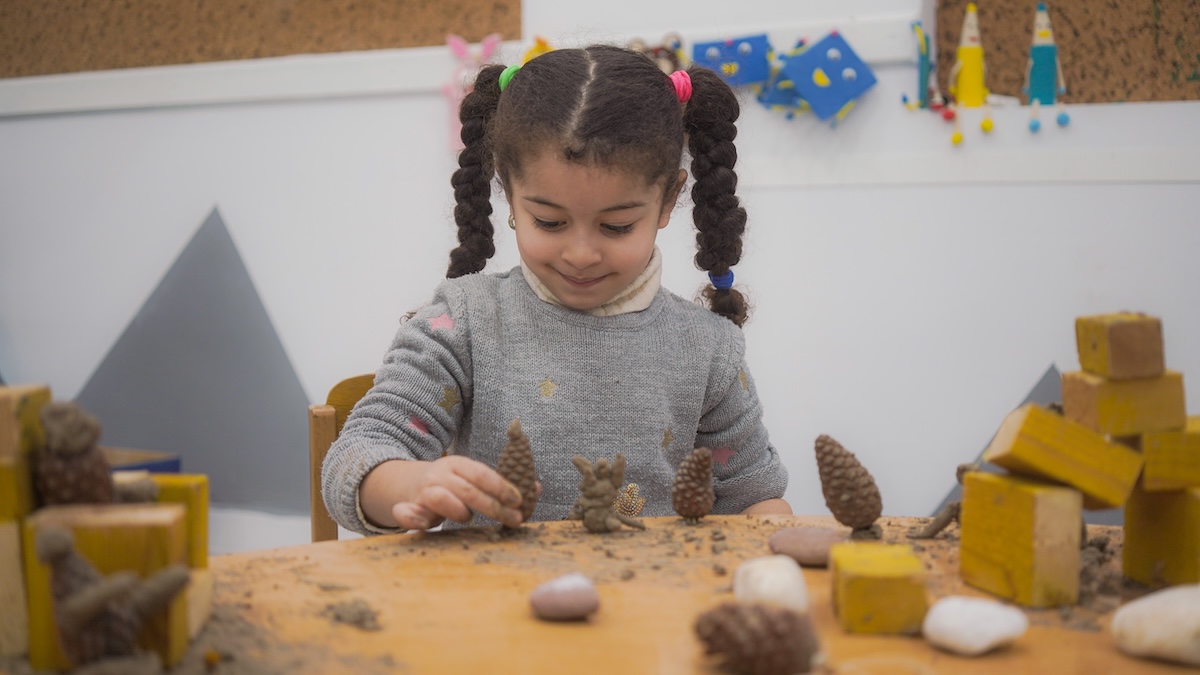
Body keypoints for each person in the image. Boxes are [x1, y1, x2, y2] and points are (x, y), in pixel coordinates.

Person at [322, 45, 791, 535]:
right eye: (549, 221)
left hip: (657, 605)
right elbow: (357, 457)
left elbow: (753, 497)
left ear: (669, 199)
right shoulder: (463, 323)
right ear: (506, 188)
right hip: (489, 603)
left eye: (616, 227)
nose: (581, 253)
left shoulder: (707, 347)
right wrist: (411, 484)